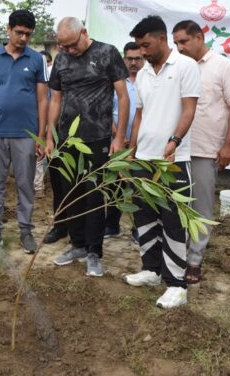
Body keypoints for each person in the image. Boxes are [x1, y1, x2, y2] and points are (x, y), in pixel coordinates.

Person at [125, 16, 201, 308]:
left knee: (173, 221)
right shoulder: (143, 73)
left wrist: (175, 141)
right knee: (143, 216)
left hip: (173, 161)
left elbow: (188, 110)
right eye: (139, 47)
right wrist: (131, 151)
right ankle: (151, 270)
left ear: (161, 39)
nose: (142, 52)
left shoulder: (185, 67)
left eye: (146, 45)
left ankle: (177, 285)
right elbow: (140, 115)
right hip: (143, 159)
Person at [46, 17, 130, 277]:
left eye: (72, 45)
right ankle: (77, 244)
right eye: (63, 47)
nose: (69, 51)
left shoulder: (107, 53)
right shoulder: (61, 59)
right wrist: (50, 136)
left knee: (94, 195)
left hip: (98, 138)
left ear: (84, 32)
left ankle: (94, 252)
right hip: (68, 140)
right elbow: (56, 99)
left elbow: (123, 96)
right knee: (70, 194)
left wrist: (118, 140)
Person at [172, 20, 230, 283]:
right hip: (178, 148)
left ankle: (194, 260)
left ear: (199, 38)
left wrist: (228, 144)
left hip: (205, 149)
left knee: (201, 207)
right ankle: (175, 255)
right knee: (177, 205)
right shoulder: (178, 67)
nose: (179, 47)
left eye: (184, 41)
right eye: (176, 43)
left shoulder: (222, 66)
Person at [0, 10, 47, 255]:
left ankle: (25, 231)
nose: (23, 38)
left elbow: (42, 100)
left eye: (28, 34)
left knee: (26, 185)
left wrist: (42, 136)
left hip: (26, 134)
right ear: (8, 29)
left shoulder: (36, 60)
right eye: (19, 32)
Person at [105, 41, 143, 241]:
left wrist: (134, 141)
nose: (134, 62)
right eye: (130, 58)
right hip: (117, 142)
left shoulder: (149, 80)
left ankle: (139, 228)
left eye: (138, 58)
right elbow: (107, 109)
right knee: (114, 185)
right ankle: (112, 225)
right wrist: (118, 134)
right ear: (123, 59)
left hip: (142, 145)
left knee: (140, 187)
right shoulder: (116, 81)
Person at [33, 50, 54, 200]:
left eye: (47, 63)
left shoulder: (53, 82)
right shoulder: (35, 80)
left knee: (46, 154)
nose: (45, 66)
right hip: (35, 121)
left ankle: (43, 185)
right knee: (38, 155)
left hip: (49, 123)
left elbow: (54, 103)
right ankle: (38, 187)